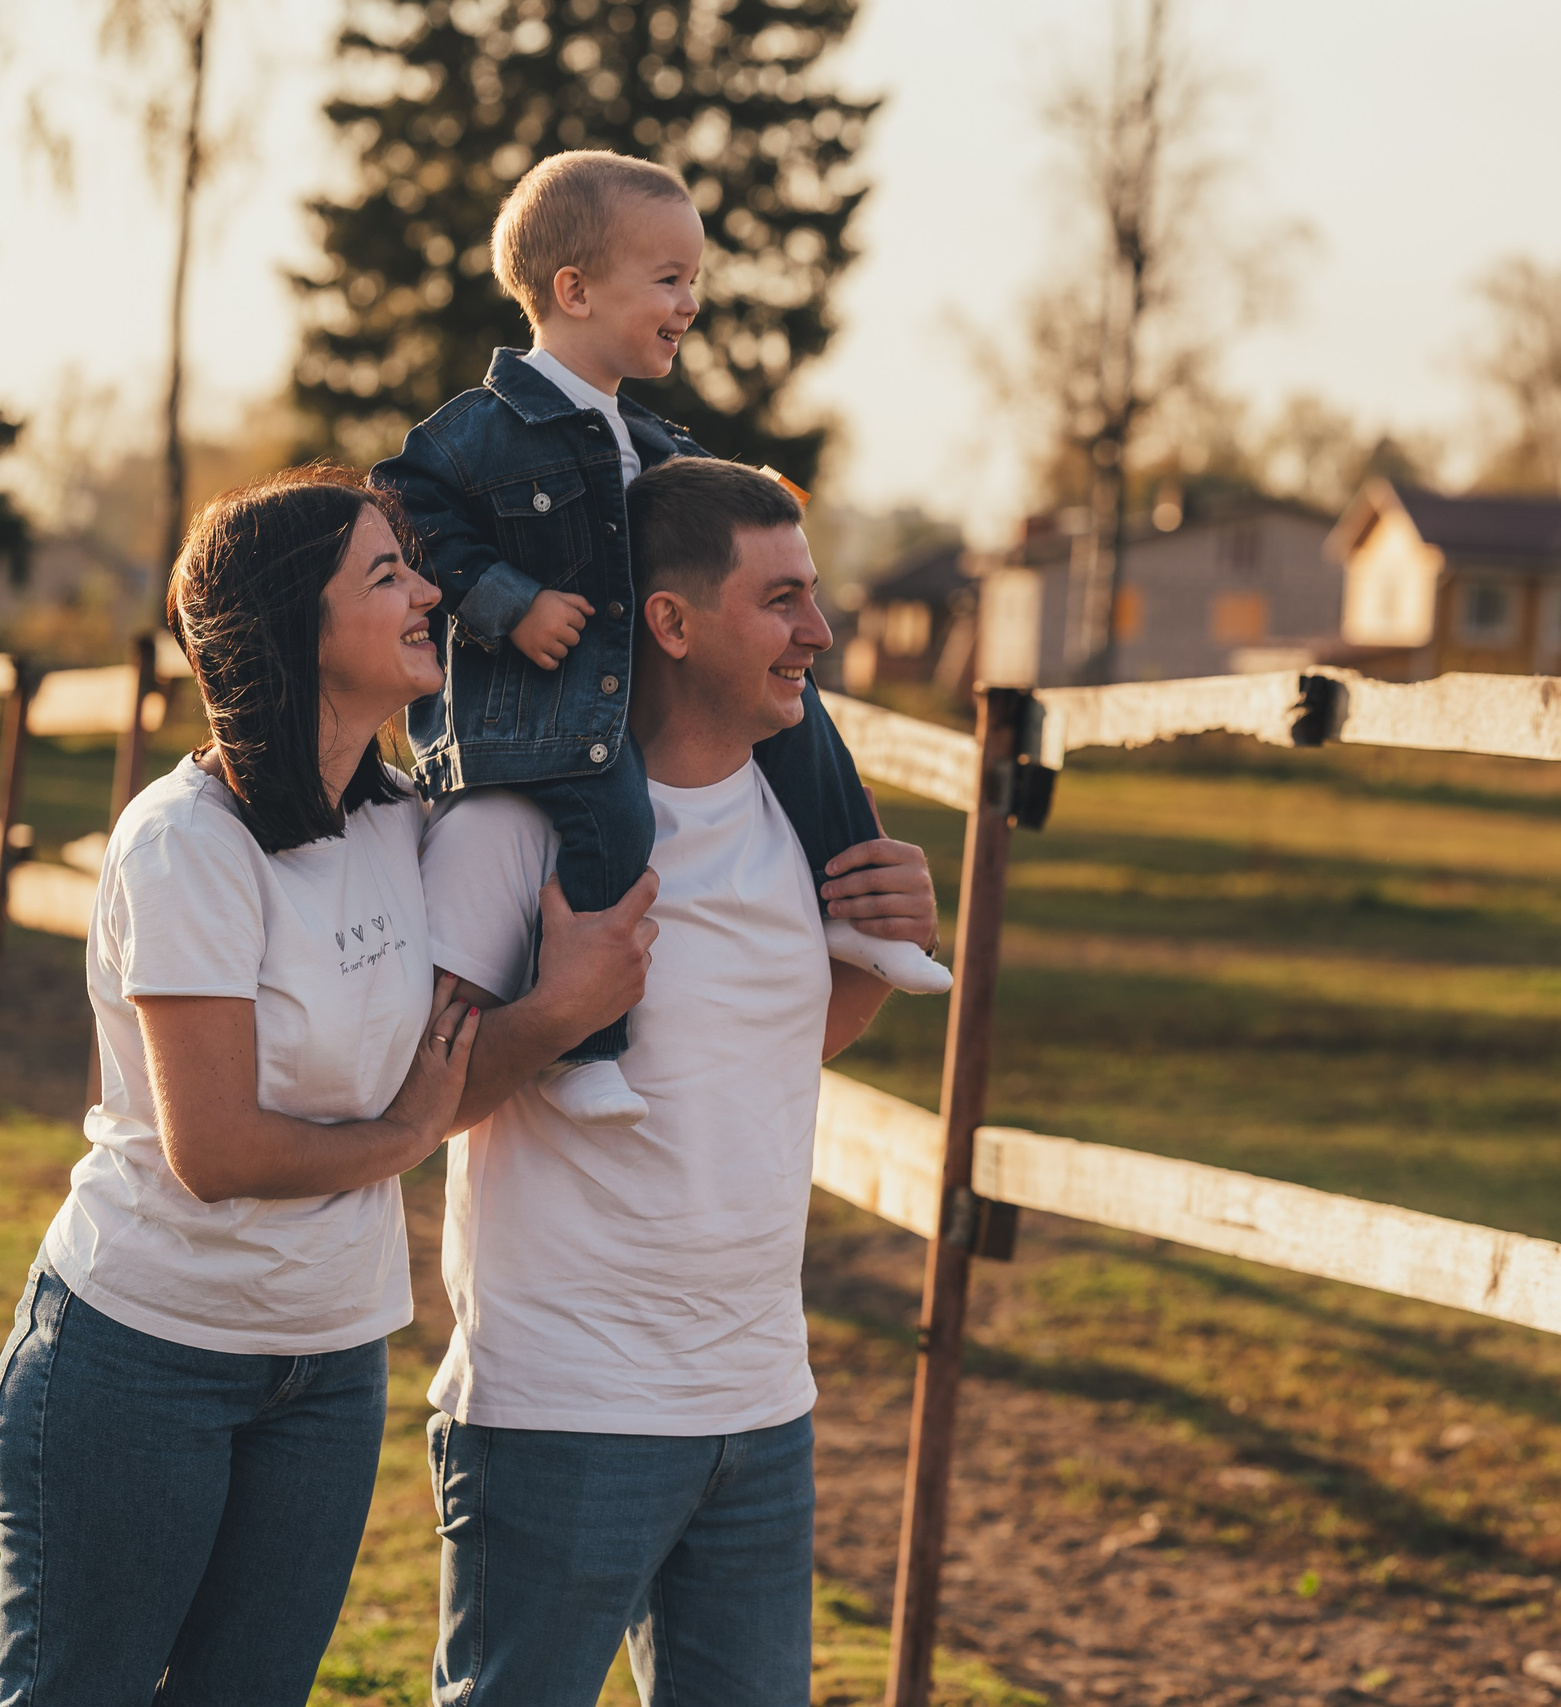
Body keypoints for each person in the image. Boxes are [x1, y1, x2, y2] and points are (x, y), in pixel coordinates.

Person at [0, 468, 654, 1702]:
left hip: (332, 1360)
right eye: (387, 575)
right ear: (300, 627)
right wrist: (408, 1130)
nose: (428, 593)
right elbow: (221, 1151)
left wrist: (561, 1011)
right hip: (142, 1358)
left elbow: (445, 1078)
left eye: (415, 567)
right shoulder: (185, 842)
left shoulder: (402, 825)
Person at [418, 456, 938, 1703]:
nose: (819, 630)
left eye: (814, 594)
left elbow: (771, 1047)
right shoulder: (516, 831)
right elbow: (414, 1101)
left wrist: (887, 931)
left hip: (761, 1405)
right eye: (781, 600)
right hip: (560, 1408)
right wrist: (560, 1013)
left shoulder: (798, 819)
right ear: (671, 621)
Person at [375, 147, 946, 1133]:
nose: (689, 304)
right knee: (618, 832)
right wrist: (509, 599)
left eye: (696, 283)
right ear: (575, 289)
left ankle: (859, 911)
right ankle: (591, 1045)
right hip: (550, 720)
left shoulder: (661, 446)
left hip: (630, 709)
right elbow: (405, 512)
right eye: (671, 281)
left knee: (806, 725)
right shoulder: (481, 430)